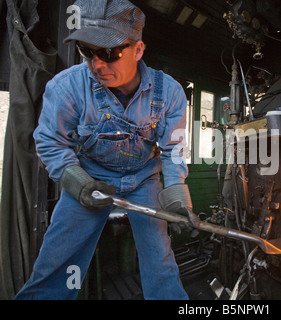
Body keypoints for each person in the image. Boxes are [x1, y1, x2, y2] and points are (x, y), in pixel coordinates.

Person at [15, 0, 195, 300]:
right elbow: (50, 141)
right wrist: (79, 184)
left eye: (109, 52)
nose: (97, 63)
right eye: (87, 51)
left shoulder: (170, 93)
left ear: (137, 50)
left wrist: (176, 193)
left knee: (159, 259)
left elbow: (173, 149)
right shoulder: (68, 87)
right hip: (89, 179)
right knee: (58, 261)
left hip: (143, 180)